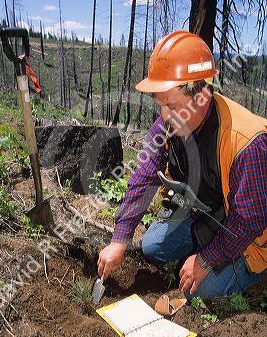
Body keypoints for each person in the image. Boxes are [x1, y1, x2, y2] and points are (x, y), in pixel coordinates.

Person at [98, 30, 267, 299]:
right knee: (152, 248)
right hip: (205, 214)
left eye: (172, 106)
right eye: (160, 105)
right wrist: (120, 239)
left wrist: (205, 260)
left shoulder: (247, 143)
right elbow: (143, 178)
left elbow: (250, 221)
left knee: (196, 291)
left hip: (249, 239)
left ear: (202, 95)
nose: (164, 116)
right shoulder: (166, 127)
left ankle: (251, 274)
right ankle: (201, 245)